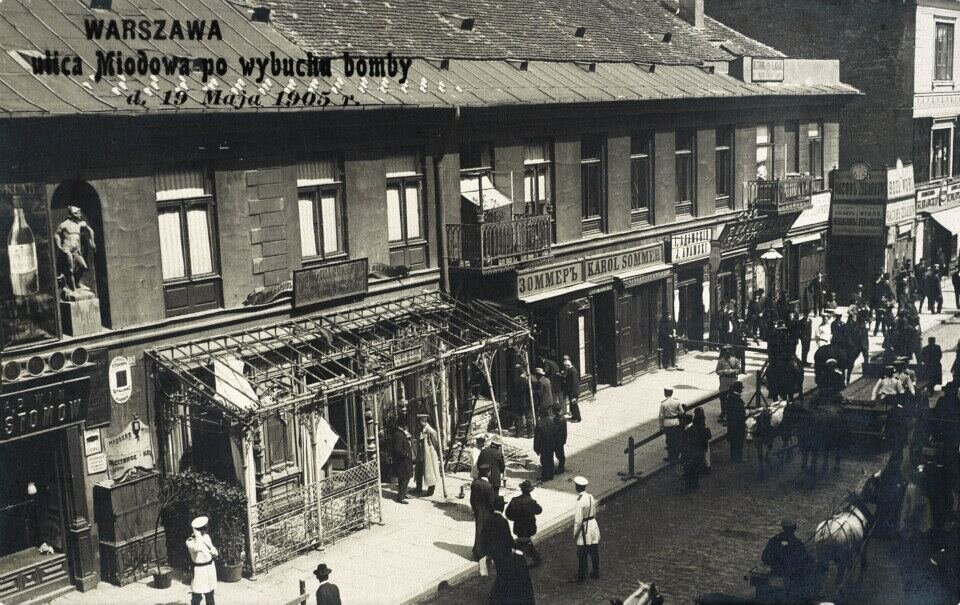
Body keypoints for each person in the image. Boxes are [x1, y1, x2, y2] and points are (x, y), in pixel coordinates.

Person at [761, 519, 815, 602]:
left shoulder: (774, 540)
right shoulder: (797, 543)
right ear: (794, 528)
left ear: (783, 527)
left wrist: (774, 563)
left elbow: (764, 557)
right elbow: (805, 558)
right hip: (792, 575)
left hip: (776, 571)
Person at [54, 205, 96, 295]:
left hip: (76, 251)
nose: (80, 215)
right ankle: (73, 289)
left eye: (80, 213)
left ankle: (77, 283)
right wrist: (59, 246)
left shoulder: (80, 224)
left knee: (84, 267)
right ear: (72, 214)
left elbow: (90, 230)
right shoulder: (64, 224)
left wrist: (92, 241)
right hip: (67, 250)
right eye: (77, 213)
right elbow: (56, 235)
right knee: (70, 270)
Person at [505, 480, 543, 567]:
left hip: (518, 527)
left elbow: (508, 514)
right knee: (525, 543)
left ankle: (524, 558)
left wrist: (515, 518)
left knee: (522, 543)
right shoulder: (531, 502)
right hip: (530, 527)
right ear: (530, 491)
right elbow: (539, 510)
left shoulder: (514, 500)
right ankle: (534, 557)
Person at [570, 476, 600, 583]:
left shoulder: (579, 500)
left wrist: (575, 533)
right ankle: (596, 572)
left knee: (582, 553)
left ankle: (581, 576)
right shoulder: (590, 496)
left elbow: (578, 520)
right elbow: (594, 512)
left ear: (577, 487)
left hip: (584, 528)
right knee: (594, 550)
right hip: (593, 525)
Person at [186, 516, 218, 605]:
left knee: (210, 594)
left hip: (210, 568)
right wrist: (197, 536)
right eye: (204, 528)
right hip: (199, 571)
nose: (206, 530)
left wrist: (214, 551)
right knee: (197, 595)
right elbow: (197, 548)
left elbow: (212, 548)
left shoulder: (206, 537)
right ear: (198, 530)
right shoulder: (190, 542)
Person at [681, 407, 711, 491]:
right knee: (694, 469)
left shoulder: (690, 430)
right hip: (696, 452)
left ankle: (690, 486)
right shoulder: (696, 426)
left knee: (690, 470)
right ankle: (694, 485)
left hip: (691, 454)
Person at [470, 464, 496, 561]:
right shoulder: (488, 486)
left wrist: (474, 509)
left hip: (478, 510)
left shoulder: (475, 483)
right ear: (488, 473)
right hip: (487, 511)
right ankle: (483, 552)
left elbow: (472, 499)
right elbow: (491, 502)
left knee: (479, 529)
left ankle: (477, 550)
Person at [480, 496, 515, 563]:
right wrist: (514, 546)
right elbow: (508, 537)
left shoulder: (487, 520)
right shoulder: (503, 521)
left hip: (490, 552)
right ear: (502, 508)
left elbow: (483, 536)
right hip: (502, 552)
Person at [413, 414, 441, 498]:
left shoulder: (430, 430)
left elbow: (436, 442)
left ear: (424, 421)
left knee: (430, 471)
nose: (419, 424)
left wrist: (435, 451)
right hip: (421, 453)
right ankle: (418, 488)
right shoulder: (420, 429)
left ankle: (431, 490)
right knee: (419, 470)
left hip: (429, 453)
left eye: (420, 421)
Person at [392, 416, 416, 504]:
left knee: (405, 477)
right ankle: (400, 497)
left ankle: (403, 493)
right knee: (404, 478)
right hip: (402, 461)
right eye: (405, 425)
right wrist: (406, 454)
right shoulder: (398, 434)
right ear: (403, 425)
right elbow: (397, 449)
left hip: (404, 460)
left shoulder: (401, 432)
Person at [715, 345, 741, 423]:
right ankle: (723, 412)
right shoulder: (721, 361)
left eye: (729, 351)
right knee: (723, 397)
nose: (727, 353)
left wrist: (733, 371)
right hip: (724, 381)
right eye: (726, 351)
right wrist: (724, 371)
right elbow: (717, 371)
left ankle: (731, 413)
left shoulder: (735, 360)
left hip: (733, 381)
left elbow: (739, 370)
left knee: (732, 397)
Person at [658, 388, 685, 464]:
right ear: (672, 392)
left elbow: (661, 416)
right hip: (676, 423)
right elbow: (682, 412)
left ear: (665, 393)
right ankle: (676, 456)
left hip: (667, 424)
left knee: (669, 441)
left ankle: (670, 457)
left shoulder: (663, 404)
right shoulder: (677, 402)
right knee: (676, 440)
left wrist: (660, 426)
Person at [726, 382, 747, 463]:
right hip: (738, 424)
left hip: (732, 424)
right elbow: (739, 412)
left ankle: (734, 457)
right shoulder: (736, 398)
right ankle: (737, 458)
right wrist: (745, 413)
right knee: (738, 441)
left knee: (734, 441)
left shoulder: (731, 397)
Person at [533, 409, 555, 482]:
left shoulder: (539, 424)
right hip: (551, 445)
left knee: (544, 461)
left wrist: (536, 448)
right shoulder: (552, 421)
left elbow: (537, 438)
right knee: (551, 459)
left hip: (543, 446)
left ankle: (545, 477)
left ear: (541, 414)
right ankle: (551, 475)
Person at [562, 358, 582, 423]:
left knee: (574, 405)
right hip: (571, 391)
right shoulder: (571, 370)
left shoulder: (573, 371)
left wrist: (573, 394)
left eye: (565, 366)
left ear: (568, 365)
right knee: (572, 405)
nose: (565, 368)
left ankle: (578, 418)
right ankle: (574, 416)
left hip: (573, 392)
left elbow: (574, 383)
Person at [552, 404, 567, 474]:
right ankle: (561, 467)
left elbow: (555, 431)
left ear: (555, 411)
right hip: (561, 440)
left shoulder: (557, 420)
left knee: (559, 455)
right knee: (560, 454)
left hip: (557, 441)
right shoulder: (563, 418)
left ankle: (561, 469)